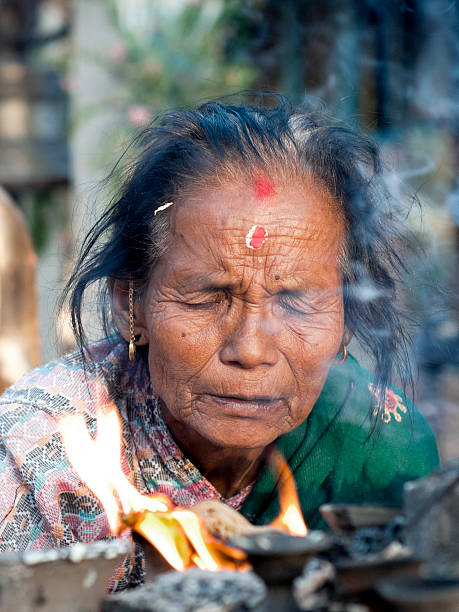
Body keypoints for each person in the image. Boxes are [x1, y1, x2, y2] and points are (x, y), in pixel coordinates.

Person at [0, 97, 439, 591]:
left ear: (346, 321)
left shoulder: (376, 448)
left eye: (295, 302)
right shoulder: (36, 458)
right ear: (131, 303)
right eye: (208, 298)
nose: (250, 350)